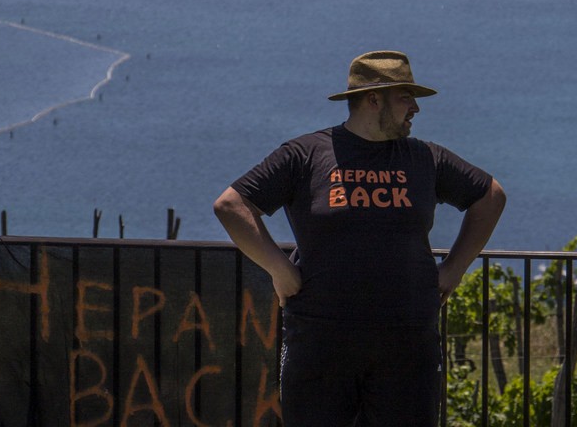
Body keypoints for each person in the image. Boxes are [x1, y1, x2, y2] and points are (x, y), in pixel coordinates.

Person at [213, 50, 506, 425]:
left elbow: (490, 196)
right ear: (373, 100)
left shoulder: (424, 158)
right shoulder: (305, 155)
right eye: (405, 97)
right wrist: (279, 269)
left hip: (407, 344)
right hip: (320, 342)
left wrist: (455, 269)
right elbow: (231, 205)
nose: (415, 108)